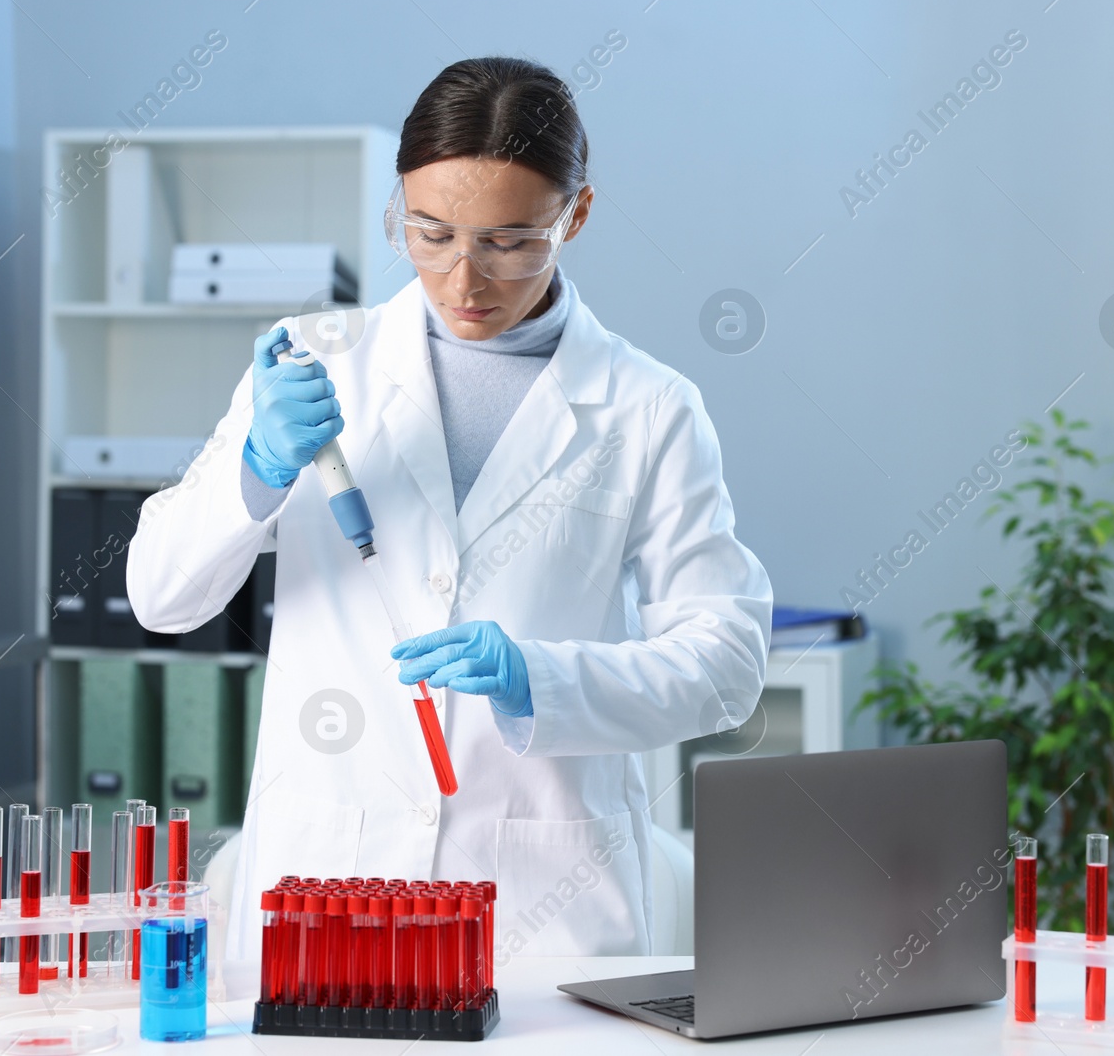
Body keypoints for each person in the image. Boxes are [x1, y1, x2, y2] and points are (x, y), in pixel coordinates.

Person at [127, 56, 771, 963]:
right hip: (331, 887)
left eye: (509, 242)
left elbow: (727, 662)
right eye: (429, 233)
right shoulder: (317, 362)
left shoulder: (647, 406)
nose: (463, 278)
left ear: (574, 216)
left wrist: (540, 679)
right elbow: (161, 596)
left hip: (542, 907)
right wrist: (256, 470)